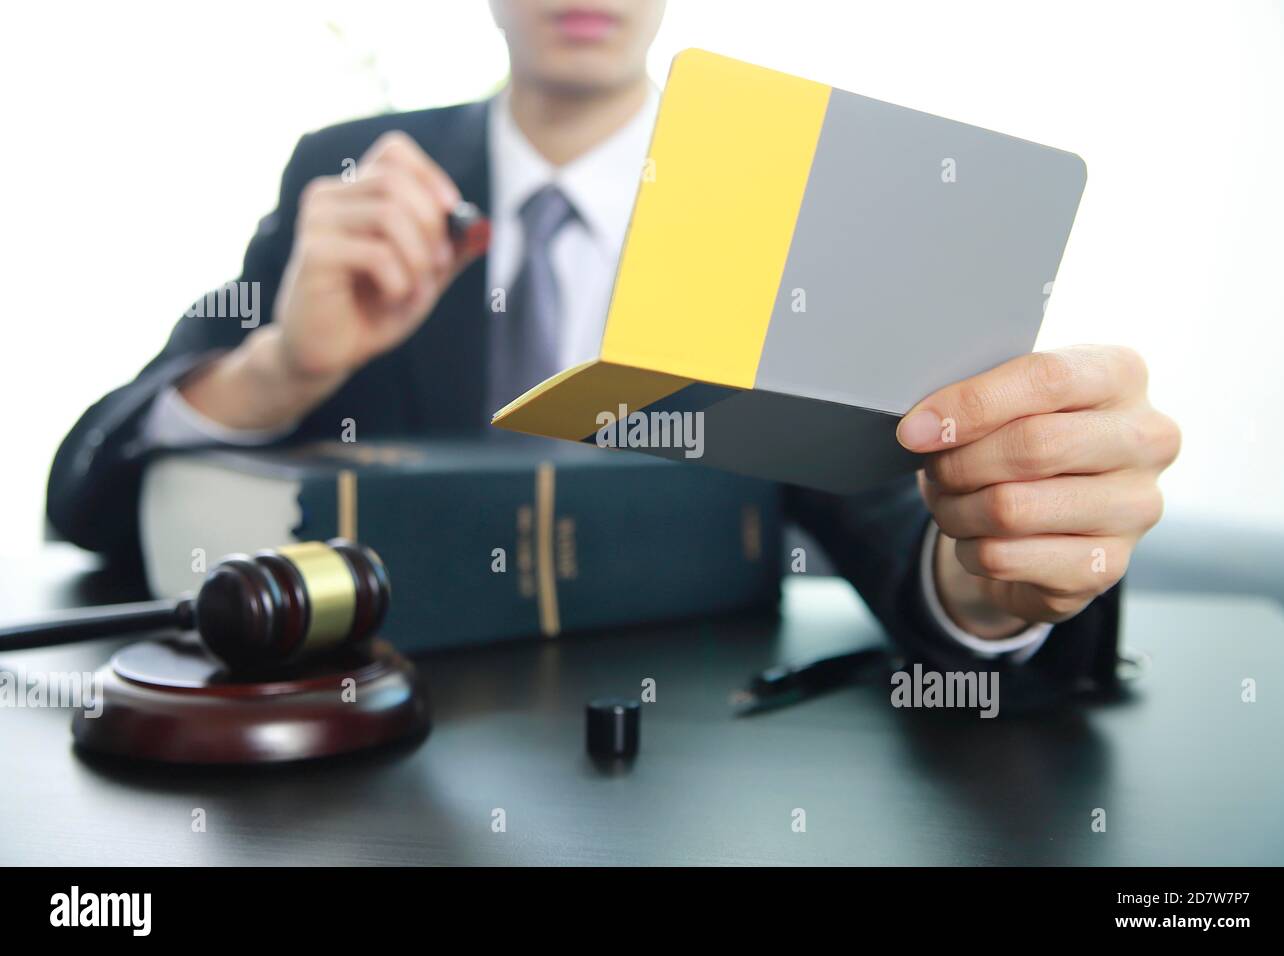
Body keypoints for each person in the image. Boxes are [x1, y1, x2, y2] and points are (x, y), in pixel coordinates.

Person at [46, 0, 1179, 702]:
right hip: (379, 746)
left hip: (687, 753)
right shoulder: (353, 169)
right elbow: (87, 496)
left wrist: (992, 580)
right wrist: (282, 368)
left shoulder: (775, 207)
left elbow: (897, 537)